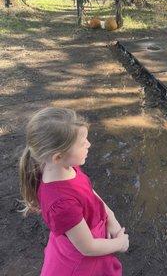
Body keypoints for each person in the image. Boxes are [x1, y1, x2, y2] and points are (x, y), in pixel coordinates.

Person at [19, 107, 128, 276]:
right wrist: (120, 243)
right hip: (82, 261)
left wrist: (110, 216)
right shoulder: (62, 204)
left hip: (84, 235)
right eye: (83, 142)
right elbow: (89, 247)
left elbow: (87, 190)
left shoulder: (64, 167)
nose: (89, 144)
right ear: (57, 156)